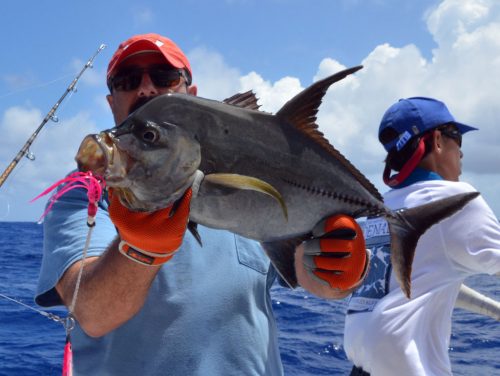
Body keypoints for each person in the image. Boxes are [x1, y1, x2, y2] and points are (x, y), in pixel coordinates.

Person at [35, 33, 368, 376]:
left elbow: (311, 278)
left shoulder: (244, 164)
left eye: (164, 78)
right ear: (111, 102)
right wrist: (139, 250)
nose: (146, 89)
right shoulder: (82, 193)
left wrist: (342, 273)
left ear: (192, 96)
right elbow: (91, 311)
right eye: (128, 80)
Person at [343, 97, 500, 376]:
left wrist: (493, 309)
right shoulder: (455, 201)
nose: (461, 154)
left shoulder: (379, 208)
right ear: (437, 140)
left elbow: (418, 282)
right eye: (458, 141)